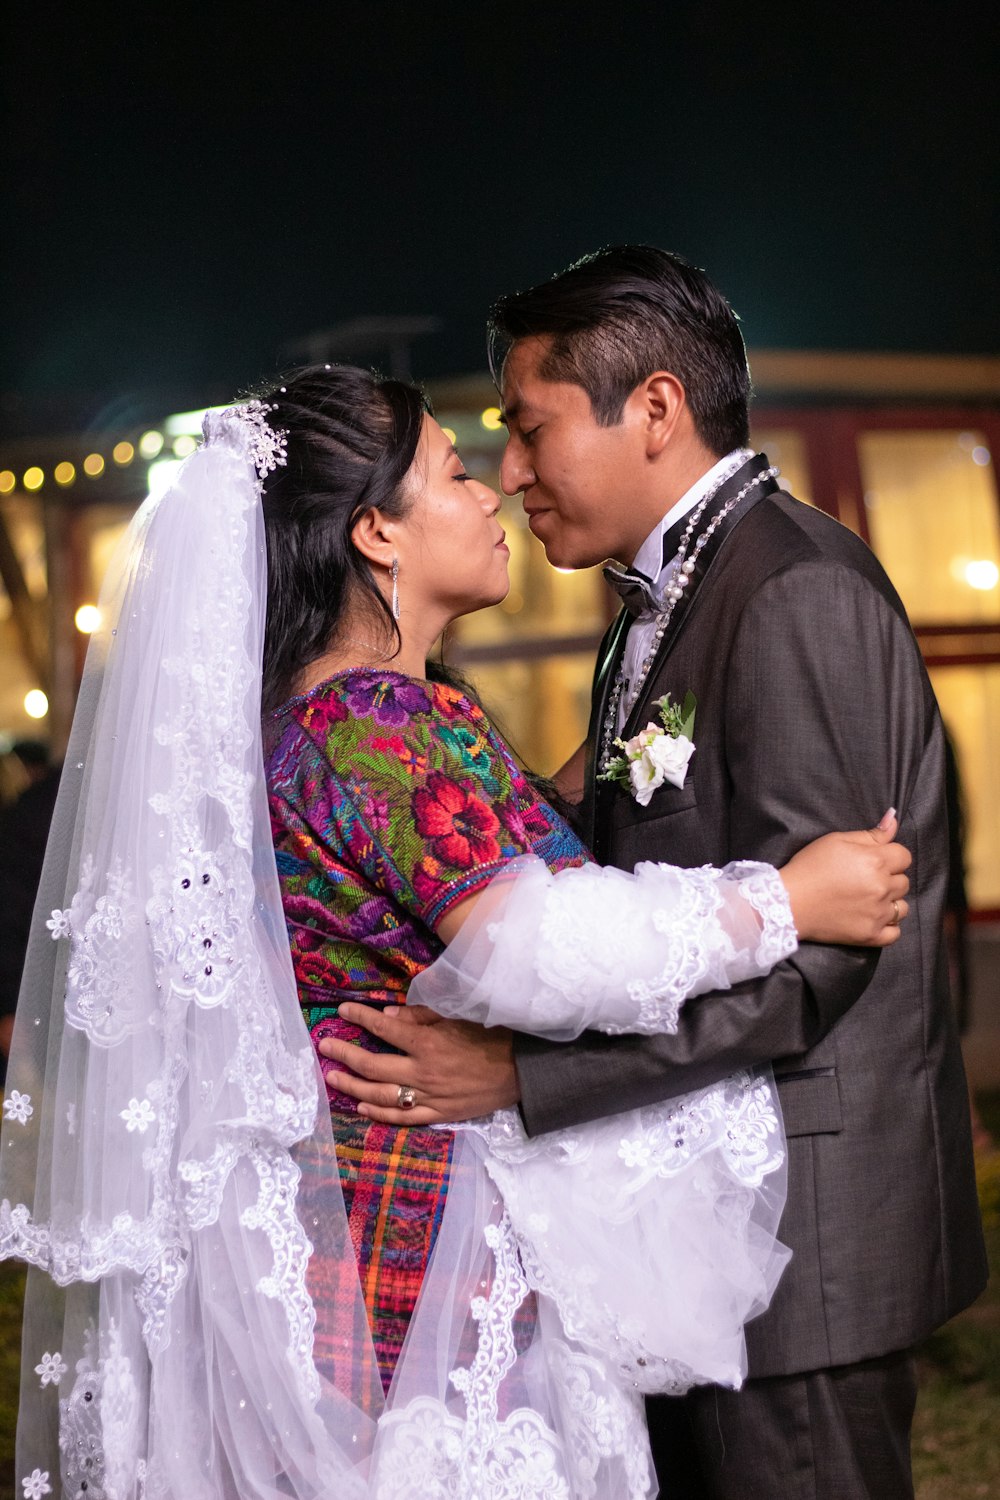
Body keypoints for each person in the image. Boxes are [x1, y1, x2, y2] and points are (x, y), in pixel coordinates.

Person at [0, 365, 908, 1499]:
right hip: (415, 1254)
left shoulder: (316, 721)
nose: (491, 493)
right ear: (377, 532)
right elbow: (534, 946)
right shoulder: (373, 720)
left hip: (359, 1231)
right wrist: (789, 903)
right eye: (454, 470)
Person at [324, 249, 989, 1500]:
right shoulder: (656, 602)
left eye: (528, 431)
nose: (513, 472)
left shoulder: (792, 590)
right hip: (700, 1220)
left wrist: (527, 1081)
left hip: (804, 1237)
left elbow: (819, 966)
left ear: (656, 409)